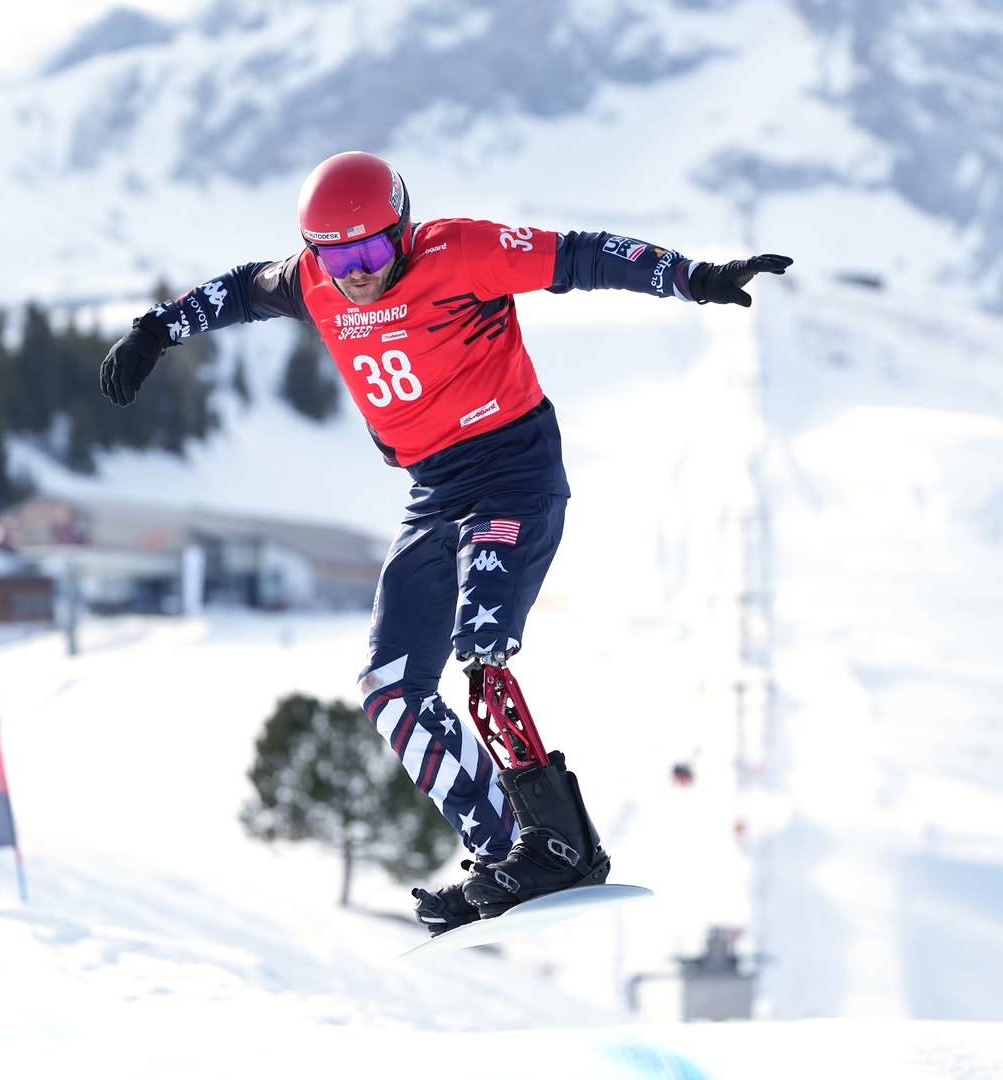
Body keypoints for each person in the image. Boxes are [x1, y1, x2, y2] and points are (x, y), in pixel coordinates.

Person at [100, 150, 792, 935]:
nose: (359, 273)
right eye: (339, 257)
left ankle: (561, 845)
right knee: (389, 687)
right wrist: (155, 331)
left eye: (374, 251)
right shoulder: (309, 280)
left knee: (483, 640)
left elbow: (583, 256)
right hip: (435, 492)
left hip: (514, 472)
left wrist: (693, 277)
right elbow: (235, 291)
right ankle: (503, 854)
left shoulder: (460, 251)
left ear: (403, 227)